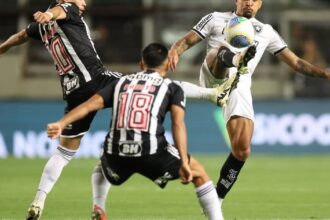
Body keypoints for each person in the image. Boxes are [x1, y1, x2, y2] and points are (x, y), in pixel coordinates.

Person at [0, 1, 232, 219]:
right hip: (96, 79)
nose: (84, 3)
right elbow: (59, 11)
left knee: (64, 152)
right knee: (149, 81)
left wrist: (3, 48)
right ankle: (211, 94)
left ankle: (39, 199)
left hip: (73, 92)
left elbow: (20, 36)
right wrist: (49, 13)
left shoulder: (39, 29)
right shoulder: (67, 9)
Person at [168, 0, 330, 217]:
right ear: (237, 0)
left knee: (242, 150)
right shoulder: (216, 18)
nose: (250, 4)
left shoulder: (266, 31)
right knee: (219, 51)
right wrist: (174, 51)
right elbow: (187, 40)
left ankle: (216, 200)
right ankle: (235, 58)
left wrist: (324, 73)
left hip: (239, 84)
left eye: (255, 0)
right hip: (215, 73)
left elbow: (296, 62)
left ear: (260, 4)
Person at [46, 42, 224, 220]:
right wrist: (184, 162)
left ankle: (98, 206)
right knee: (199, 173)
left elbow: (88, 106)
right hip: (151, 151)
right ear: (168, 64)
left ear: (141, 64)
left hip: (116, 153)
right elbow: (178, 125)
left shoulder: (120, 82)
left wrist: (62, 123)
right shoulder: (171, 88)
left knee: (102, 165)